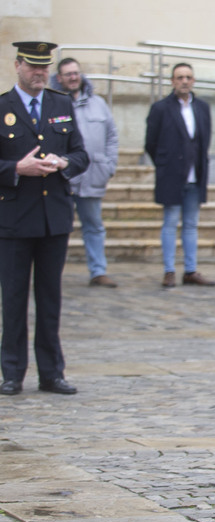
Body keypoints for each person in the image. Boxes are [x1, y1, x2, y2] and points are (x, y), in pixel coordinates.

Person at [0, 41, 89, 396]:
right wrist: (15, 168)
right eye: (33, 66)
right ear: (18, 65)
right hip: (14, 219)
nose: (40, 73)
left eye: (44, 67)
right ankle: (11, 372)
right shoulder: (2, 106)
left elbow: (81, 154)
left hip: (54, 218)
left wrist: (66, 163)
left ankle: (51, 372)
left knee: (50, 299)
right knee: (14, 298)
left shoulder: (60, 103)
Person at [144, 62, 215, 288]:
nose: (184, 81)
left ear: (193, 81)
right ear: (172, 81)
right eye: (179, 77)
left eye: (188, 77)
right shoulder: (161, 108)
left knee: (191, 224)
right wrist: (165, 165)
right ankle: (169, 270)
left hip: (196, 175)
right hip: (172, 175)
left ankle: (191, 270)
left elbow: (204, 140)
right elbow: (151, 143)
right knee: (170, 223)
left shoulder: (202, 108)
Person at [51, 58, 118, 288]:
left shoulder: (98, 104)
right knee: (57, 229)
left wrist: (110, 164)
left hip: (93, 176)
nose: (73, 77)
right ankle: (51, 275)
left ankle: (98, 271)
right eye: (67, 74)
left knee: (94, 226)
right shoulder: (53, 104)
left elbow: (111, 135)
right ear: (59, 78)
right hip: (62, 178)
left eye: (76, 73)